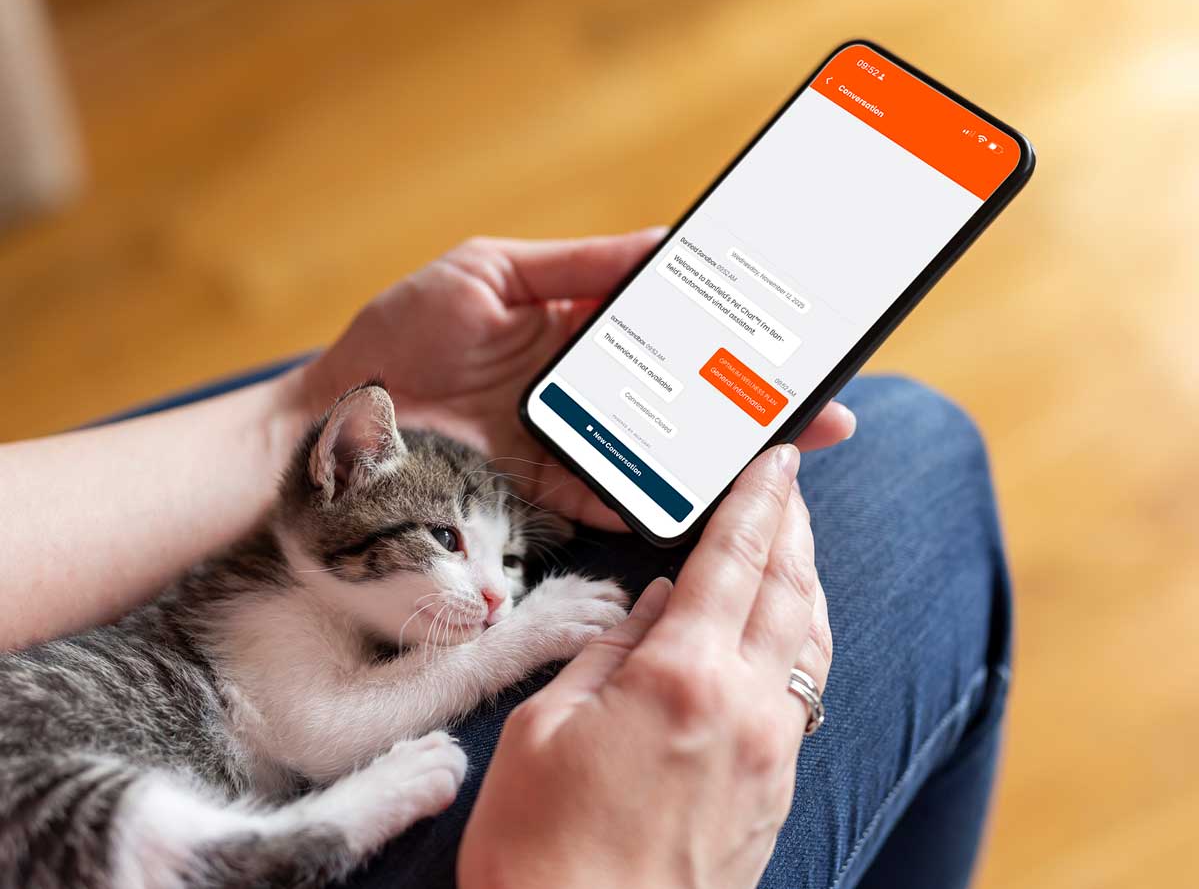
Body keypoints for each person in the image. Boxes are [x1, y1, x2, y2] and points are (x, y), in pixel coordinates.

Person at [0, 229, 1011, 888]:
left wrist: (285, 416)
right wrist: (508, 640)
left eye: (496, 564)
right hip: (80, 793)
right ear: (338, 486)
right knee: (911, 446)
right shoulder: (263, 619)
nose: (489, 593)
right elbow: (311, 733)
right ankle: (299, 850)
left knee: (888, 438)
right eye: (447, 544)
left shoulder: (339, 572)